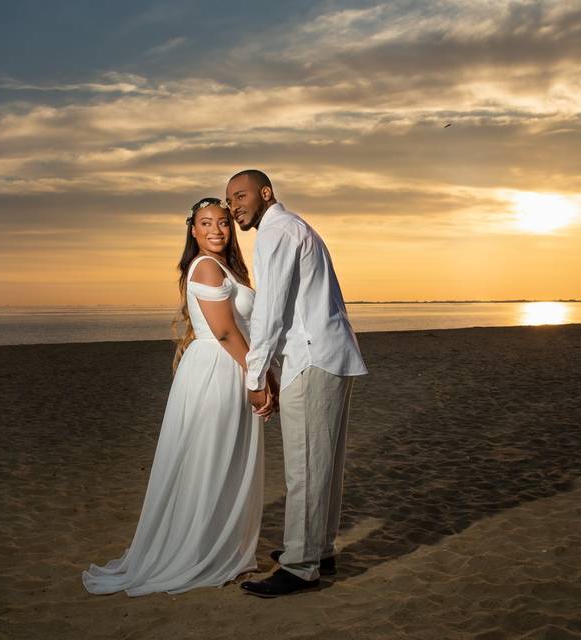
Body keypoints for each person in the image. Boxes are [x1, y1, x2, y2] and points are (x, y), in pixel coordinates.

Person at [82, 197, 274, 596]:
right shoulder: (204, 266)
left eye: (223, 223)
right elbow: (224, 332)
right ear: (193, 230)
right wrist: (257, 378)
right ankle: (200, 550)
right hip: (218, 369)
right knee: (211, 458)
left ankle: (217, 546)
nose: (216, 230)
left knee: (222, 459)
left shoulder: (224, 267)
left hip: (228, 365)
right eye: (206, 224)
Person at [225, 170, 368, 598]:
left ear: (265, 193)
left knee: (305, 467)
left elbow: (270, 309)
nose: (234, 206)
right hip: (331, 356)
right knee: (325, 463)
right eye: (229, 199)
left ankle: (301, 566)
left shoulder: (278, 231)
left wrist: (255, 374)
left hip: (311, 359)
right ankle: (319, 549)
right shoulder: (296, 226)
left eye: (241, 195)